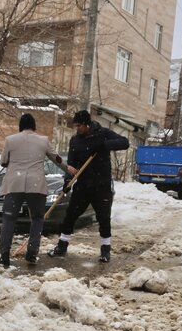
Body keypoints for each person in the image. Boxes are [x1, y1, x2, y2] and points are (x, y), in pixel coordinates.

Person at [48, 109, 129, 262]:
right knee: (70, 216)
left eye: (79, 126)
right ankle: (62, 246)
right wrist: (67, 183)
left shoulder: (103, 133)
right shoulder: (75, 140)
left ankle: (105, 250)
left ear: (86, 124)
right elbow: (71, 164)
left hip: (102, 185)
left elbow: (125, 143)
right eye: (75, 126)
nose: (77, 129)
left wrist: (104, 145)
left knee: (104, 219)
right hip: (83, 185)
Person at [0, 114, 76, 269]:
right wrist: (69, 168)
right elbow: (57, 159)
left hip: (15, 185)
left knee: (9, 219)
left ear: (20, 125)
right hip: (36, 184)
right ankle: (32, 253)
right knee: (37, 218)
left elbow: (3, 162)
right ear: (34, 126)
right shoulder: (43, 141)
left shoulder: (11, 140)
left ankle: (5, 255)